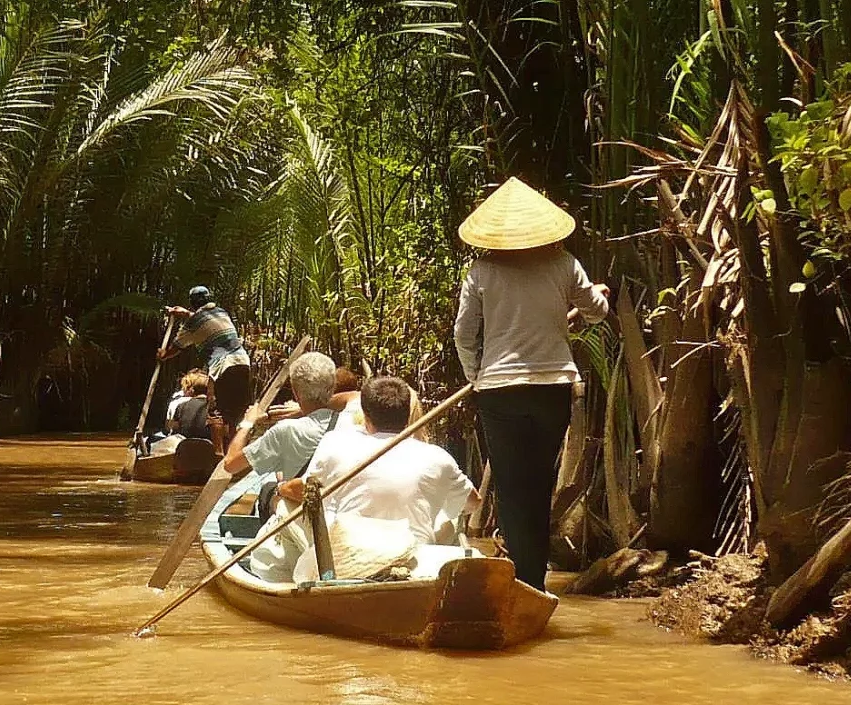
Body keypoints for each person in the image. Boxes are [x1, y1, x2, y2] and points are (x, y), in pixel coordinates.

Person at [452, 177, 609, 591]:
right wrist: (598, 294)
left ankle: (524, 580)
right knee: (538, 482)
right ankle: (533, 579)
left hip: (500, 391)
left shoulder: (482, 270)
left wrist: (476, 376)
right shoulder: (564, 265)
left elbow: (464, 336)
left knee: (512, 484)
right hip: (552, 387)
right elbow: (595, 312)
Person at [271, 376, 474, 581]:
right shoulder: (438, 456)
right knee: (452, 516)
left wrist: (280, 489)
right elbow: (474, 503)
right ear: (408, 415)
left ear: (365, 414)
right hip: (414, 554)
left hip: (348, 557)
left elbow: (307, 491)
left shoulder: (335, 442)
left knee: (284, 507)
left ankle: (285, 585)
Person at [222, 351, 340, 579]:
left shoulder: (286, 430)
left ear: (296, 392)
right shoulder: (350, 421)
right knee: (276, 482)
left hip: (305, 516)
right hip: (337, 514)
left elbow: (230, 464)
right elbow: (354, 396)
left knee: (269, 490)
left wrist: (247, 423)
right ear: (332, 387)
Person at [163, 286, 253, 442]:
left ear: (192, 303)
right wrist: (185, 314)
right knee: (236, 413)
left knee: (215, 410)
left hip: (222, 366)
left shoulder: (192, 323)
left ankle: (218, 455)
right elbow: (206, 321)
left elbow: (176, 348)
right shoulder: (221, 312)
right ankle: (233, 451)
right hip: (243, 362)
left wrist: (162, 355)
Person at [165, 371, 211, 437]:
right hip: (206, 444)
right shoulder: (214, 407)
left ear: (192, 390)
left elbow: (171, 428)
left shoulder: (182, 406)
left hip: (185, 444)